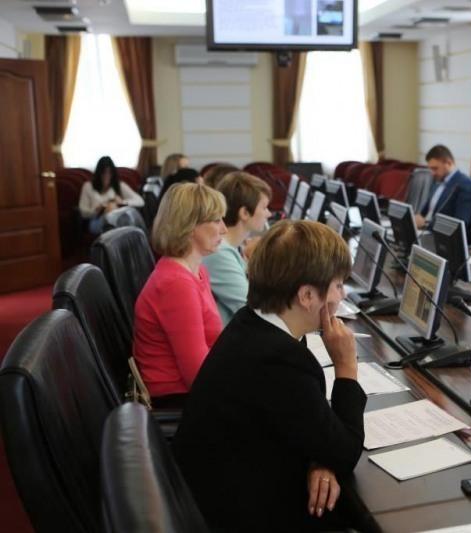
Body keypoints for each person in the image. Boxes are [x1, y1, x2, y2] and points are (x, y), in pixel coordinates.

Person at [172, 220, 366, 531]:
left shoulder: (249, 323)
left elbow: (311, 429)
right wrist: (346, 367)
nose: (341, 296)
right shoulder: (280, 362)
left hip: (217, 494)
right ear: (307, 295)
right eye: (339, 286)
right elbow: (345, 452)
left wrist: (320, 456)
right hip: (241, 516)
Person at [133, 183, 227, 407]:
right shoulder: (177, 285)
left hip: (196, 385)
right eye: (216, 220)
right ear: (190, 226)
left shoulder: (197, 271)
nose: (224, 229)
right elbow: (198, 376)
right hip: (178, 397)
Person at [203, 171, 272, 324]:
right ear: (245, 213)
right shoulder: (219, 253)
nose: (268, 214)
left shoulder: (233, 246)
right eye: (264, 207)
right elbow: (253, 310)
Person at [414, 144, 471, 229]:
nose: (432, 173)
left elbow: (461, 223)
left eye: (435, 168)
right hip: (424, 230)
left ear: (449, 163)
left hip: (439, 234)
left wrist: (426, 224)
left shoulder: (465, 184)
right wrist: (416, 218)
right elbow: (425, 213)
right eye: (430, 169)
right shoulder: (437, 180)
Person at [78, 156, 144, 234]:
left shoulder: (119, 185)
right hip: (97, 219)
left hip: (117, 219)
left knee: (126, 213)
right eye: (104, 173)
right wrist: (96, 210)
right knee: (114, 211)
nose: (107, 176)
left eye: (109, 173)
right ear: (98, 173)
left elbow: (140, 201)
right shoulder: (88, 186)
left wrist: (122, 202)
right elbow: (83, 211)